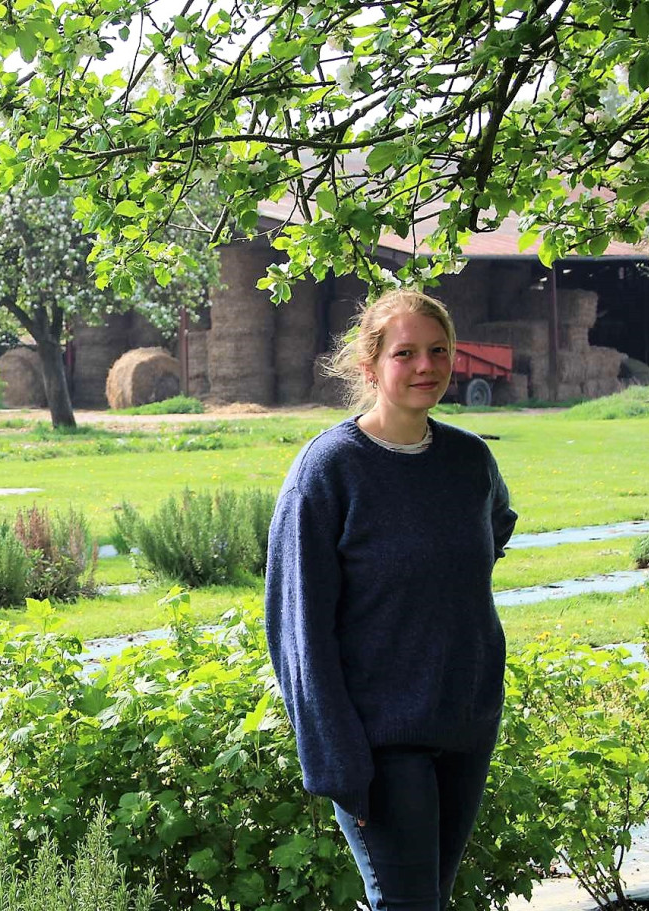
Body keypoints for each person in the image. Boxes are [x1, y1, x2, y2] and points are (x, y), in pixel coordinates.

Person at [264, 289, 517, 911]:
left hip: (464, 724)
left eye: (439, 351)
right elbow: (297, 628)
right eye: (406, 353)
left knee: (430, 897)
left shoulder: (468, 459)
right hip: (377, 738)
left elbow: (496, 525)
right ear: (369, 365)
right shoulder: (329, 470)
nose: (426, 366)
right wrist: (334, 751)